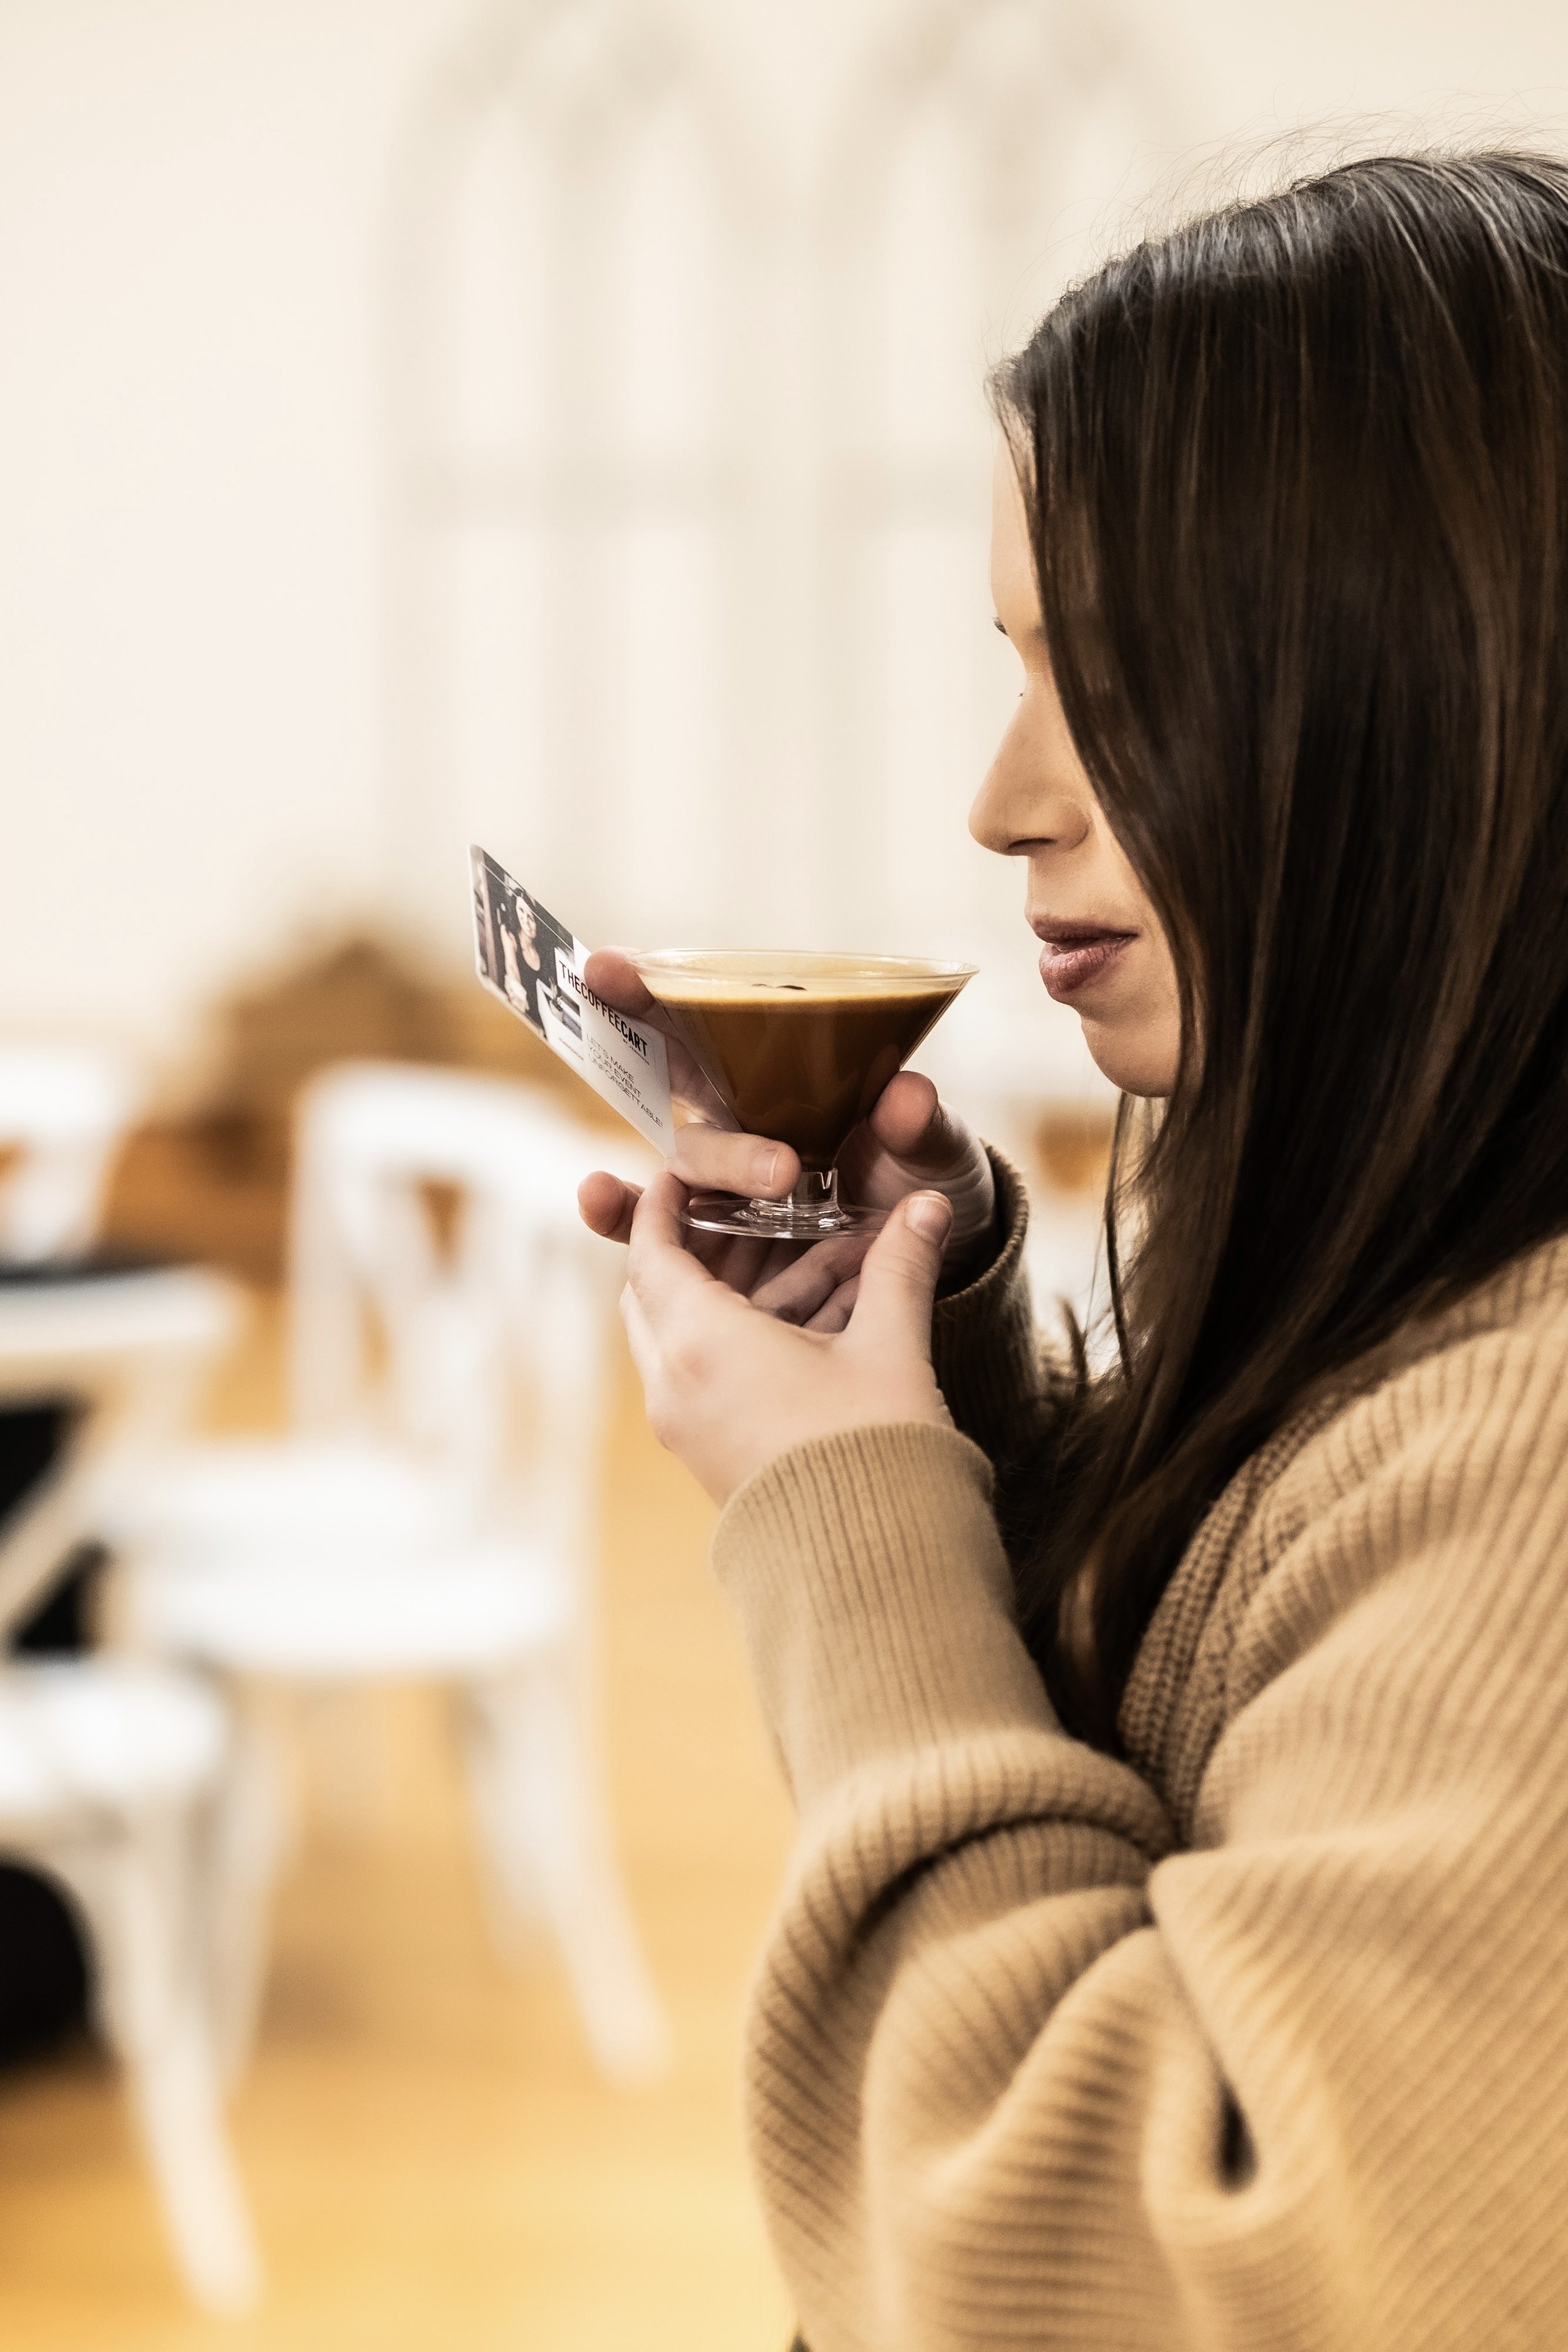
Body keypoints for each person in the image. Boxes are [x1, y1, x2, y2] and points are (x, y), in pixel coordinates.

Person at [579, 151, 1568, 2349]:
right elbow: (1251, 1691)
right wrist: (949, 1368)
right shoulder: (1445, 1310)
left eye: (1108, 676)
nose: (1002, 797)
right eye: (1019, 666)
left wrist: (849, 1517)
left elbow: (1123, 2279)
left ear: (1431, 693)